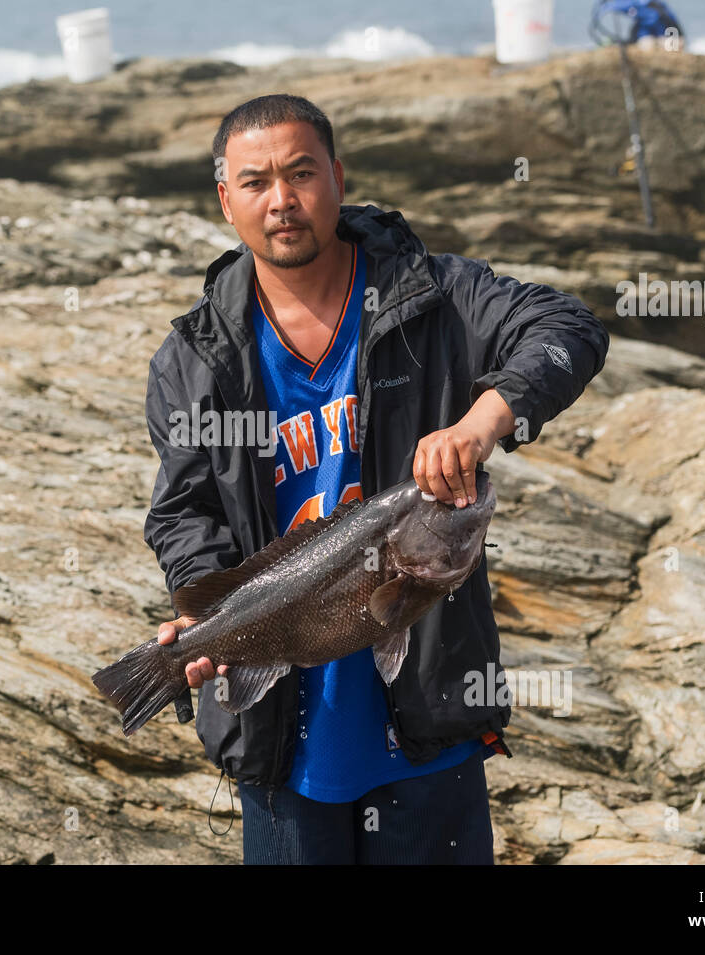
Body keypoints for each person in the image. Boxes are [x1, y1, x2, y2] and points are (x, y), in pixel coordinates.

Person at [143, 95, 608, 864]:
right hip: (280, 748)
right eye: (255, 182)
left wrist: (479, 423)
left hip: (430, 721)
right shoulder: (194, 360)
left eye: (302, 173)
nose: (283, 200)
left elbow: (568, 327)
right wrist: (206, 618)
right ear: (225, 200)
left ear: (338, 176)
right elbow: (185, 514)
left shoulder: (435, 299)